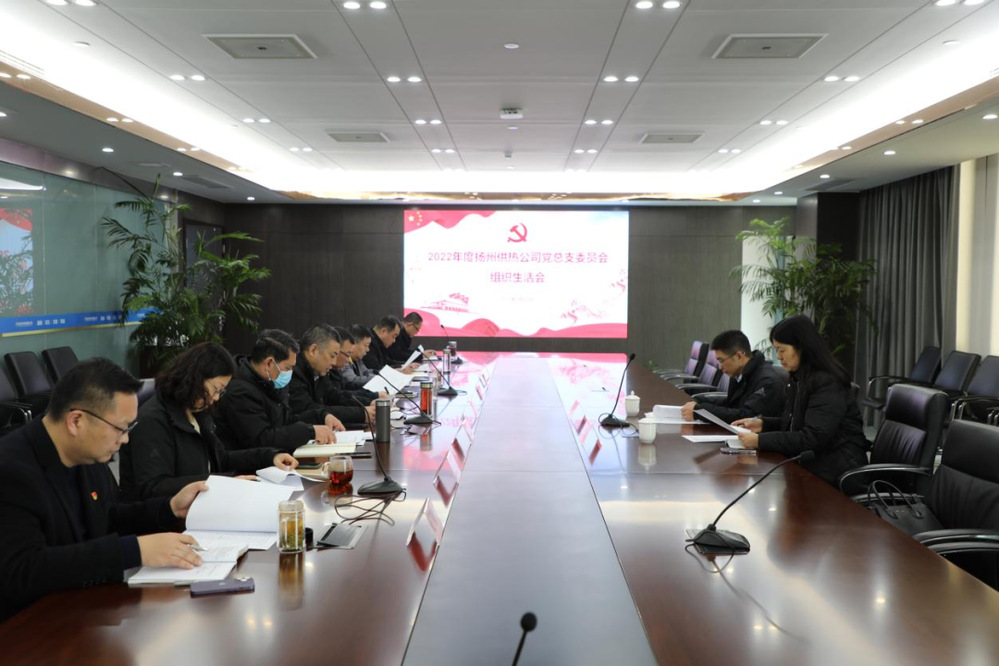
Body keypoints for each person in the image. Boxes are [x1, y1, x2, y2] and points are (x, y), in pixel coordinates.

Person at [0, 358, 207, 620]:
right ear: (76, 421)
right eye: (121, 428)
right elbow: (23, 570)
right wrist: (133, 551)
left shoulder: (88, 455)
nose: (126, 439)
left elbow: (106, 516)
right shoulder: (11, 471)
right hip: (27, 624)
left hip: (82, 609)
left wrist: (169, 508)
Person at [119, 343, 299, 501]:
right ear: (194, 378)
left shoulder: (196, 411)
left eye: (221, 392)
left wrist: (270, 456)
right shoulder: (153, 421)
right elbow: (154, 487)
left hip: (200, 507)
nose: (215, 398)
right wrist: (223, 483)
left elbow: (221, 459)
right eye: (215, 389)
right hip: (165, 522)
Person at [732, 315, 870, 488]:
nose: (778, 356)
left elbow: (813, 437)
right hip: (814, 465)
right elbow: (797, 423)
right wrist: (762, 424)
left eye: (782, 350)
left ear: (802, 348)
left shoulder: (827, 382)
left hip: (837, 473)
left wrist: (759, 441)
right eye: (776, 350)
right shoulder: (799, 378)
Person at [214, 329, 341, 454]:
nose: (290, 373)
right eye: (288, 368)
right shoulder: (239, 392)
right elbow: (262, 439)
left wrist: (321, 416)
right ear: (269, 363)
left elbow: (286, 421)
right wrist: (309, 432)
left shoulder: (269, 382)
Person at [680, 330, 785, 423]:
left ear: (739, 356)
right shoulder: (741, 373)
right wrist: (700, 401)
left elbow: (746, 417)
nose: (720, 367)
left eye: (721, 360)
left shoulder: (767, 381)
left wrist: (701, 411)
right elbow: (732, 403)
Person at [288, 324, 372, 427]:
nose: (334, 362)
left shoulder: (318, 369)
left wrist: (369, 402)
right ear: (313, 350)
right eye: (332, 356)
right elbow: (308, 408)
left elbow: (333, 396)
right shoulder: (292, 371)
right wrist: (361, 414)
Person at [342, 324, 377, 390]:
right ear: (353, 343)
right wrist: (377, 379)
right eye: (366, 345)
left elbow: (366, 372)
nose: (368, 350)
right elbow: (352, 381)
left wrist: (383, 375)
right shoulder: (343, 359)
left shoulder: (357, 359)